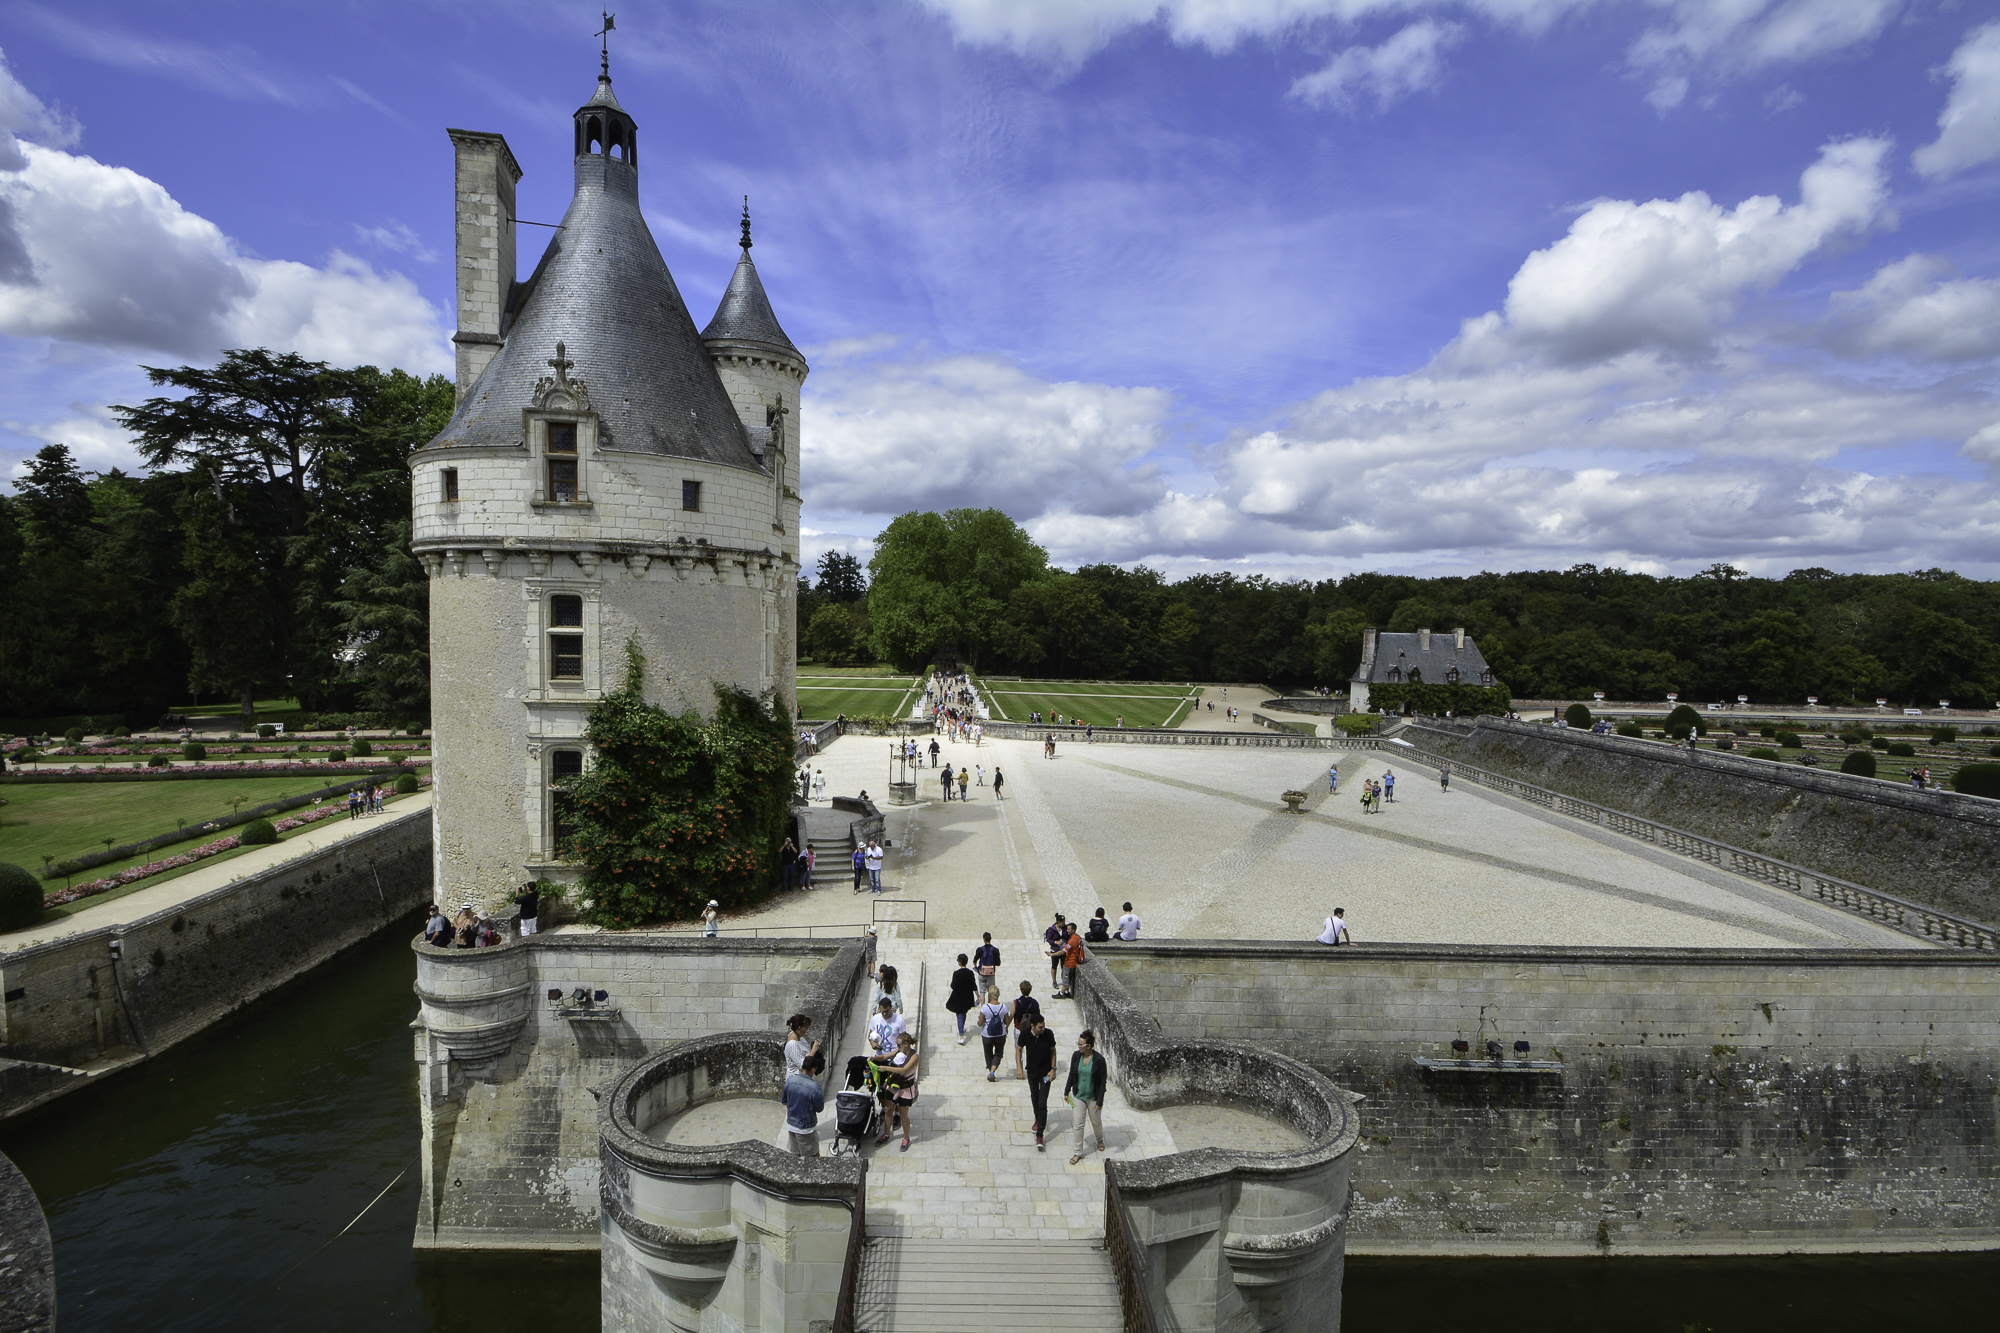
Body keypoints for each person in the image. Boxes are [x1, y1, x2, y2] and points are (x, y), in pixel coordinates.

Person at [1063, 1029, 1110, 1164]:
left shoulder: (1099, 1060)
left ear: (1088, 1046)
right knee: (1078, 1124)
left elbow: (1102, 1081)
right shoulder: (1076, 1056)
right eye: (1078, 1044)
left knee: (1096, 1122)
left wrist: (1099, 1101)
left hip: (1093, 1097)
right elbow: (1072, 1074)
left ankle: (1099, 1139)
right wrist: (1066, 1091)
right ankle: (1077, 1152)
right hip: (1078, 1095)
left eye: (1080, 1044)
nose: (1078, 1047)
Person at [872, 1030, 919, 1149]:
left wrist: (886, 1068)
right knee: (888, 1111)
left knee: (903, 1116)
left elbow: (904, 1070)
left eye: (899, 1045)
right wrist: (874, 1058)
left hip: (905, 1090)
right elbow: (884, 1056)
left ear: (906, 1044)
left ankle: (906, 1138)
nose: (897, 1047)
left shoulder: (914, 1057)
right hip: (892, 1087)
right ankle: (886, 1134)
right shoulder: (899, 1051)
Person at [1022, 1014, 1059, 1150]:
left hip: (1045, 1074)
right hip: (1032, 1072)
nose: (1043, 1029)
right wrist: (1019, 1067)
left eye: (1043, 1026)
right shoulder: (1025, 1034)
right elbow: (1019, 1049)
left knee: (1042, 1101)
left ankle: (1040, 1134)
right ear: (1033, 1026)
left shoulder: (1048, 1034)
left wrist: (1053, 1069)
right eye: (1040, 1027)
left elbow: (1053, 1051)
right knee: (1034, 1096)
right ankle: (1038, 1118)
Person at [784, 1050, 827, 1156]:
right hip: (806, 1129)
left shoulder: (790, 1081)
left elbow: (784, 1100)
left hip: (791, 1126)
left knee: (795, 1157)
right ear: (813, 1069)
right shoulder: (814, 1087)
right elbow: (819, 1108)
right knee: (812, 1158)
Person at [1011, 980, 1041, 1080]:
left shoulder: (1016, 1002)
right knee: (1031, 1049)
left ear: (1021, 990)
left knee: (1018, 1049)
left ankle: (1020, 1071)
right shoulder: (1035, 1003)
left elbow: (1012, 1016)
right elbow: (1038, 1017)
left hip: (1019, 1029)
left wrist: (1006, 1026)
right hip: (1031, 1030)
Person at [977, 987, 1009, 1081]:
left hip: (987, 1035)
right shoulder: (1003, 1007)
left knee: (988, 1054)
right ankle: (992, 1071)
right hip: (1000, 1034)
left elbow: (980, 1024)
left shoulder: (985, 1008)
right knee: (998, 1054)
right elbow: (1007, 1022)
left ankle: (990, 1070)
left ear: (990, 995)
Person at [946, 953, 978, 1042]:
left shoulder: (956, 974)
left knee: (959, 1014)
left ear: (960, 962)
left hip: (958, 997)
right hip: (967, 996)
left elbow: (953, 986)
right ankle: (962, 1028)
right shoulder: (970, 973)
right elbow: (974, 986)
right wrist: (978, 996)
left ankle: (961, 1036)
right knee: (964, 1013)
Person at [1060, 925, 1086, 998]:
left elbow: (1063, 951)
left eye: (1069, 929)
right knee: (1067, 978)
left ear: (1073, 930)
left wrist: (1052, 954)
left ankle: (1061, 993)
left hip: (1070, 963)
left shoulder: (1073, 940)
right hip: (1072, 962)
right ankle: (1067, 992)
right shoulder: (1078, 937)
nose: (1067, 930)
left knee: (1066, 979)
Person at [1044, 914, 1068, 990]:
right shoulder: (1052, 930)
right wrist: (1055, 942)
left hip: (1063, 950)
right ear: (1058, 922)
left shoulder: (1065, 928)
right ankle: (1054, 981)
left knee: (1063, 966)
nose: (1064, 924)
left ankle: (1064, 980)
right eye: (1062, 922)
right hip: (1055, 950)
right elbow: (1049, 939)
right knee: (1054, 966)